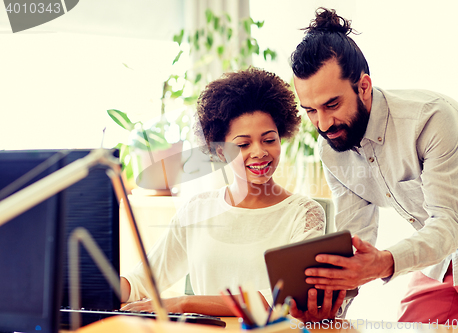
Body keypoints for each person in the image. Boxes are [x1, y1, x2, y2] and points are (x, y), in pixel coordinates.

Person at [289, 7, 458, 324]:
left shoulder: (430, 119)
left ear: (363, 86)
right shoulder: (332, 151)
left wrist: (383, 263)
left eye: (332, 104)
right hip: (440, 257)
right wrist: (332, 303)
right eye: (311, 110)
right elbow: (356, 237)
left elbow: (450, 221)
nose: (323, 123)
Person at [119, 67, 335, 318]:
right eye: (243, 144)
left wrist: (184, 304)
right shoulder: (196, 210)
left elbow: (279, 299)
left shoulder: (304, 214)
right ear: (221, 152)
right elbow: (142, 281)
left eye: (269, 139)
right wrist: (89, 286)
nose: (259, 152)